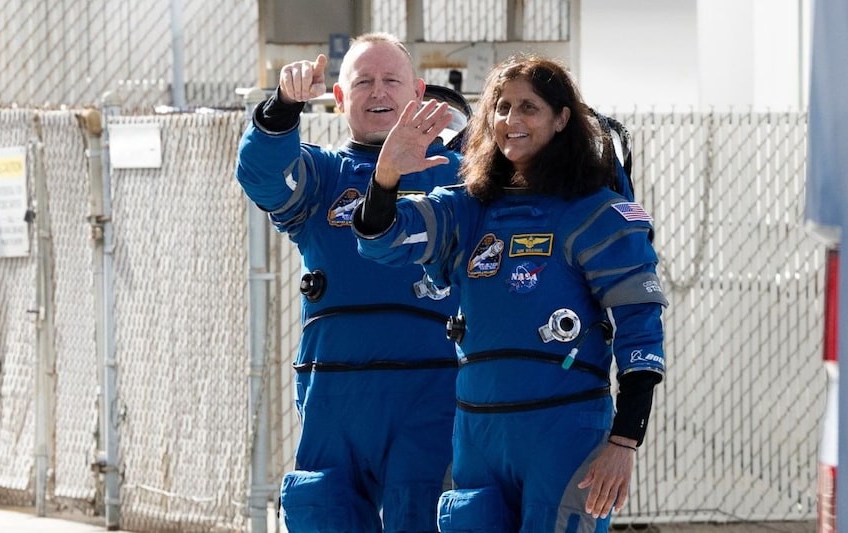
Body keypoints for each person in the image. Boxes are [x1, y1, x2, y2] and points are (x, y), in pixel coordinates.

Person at [353, 54, 668, 532]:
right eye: (501, 107)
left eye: (528, 108)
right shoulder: (469, 209)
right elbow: (383, 240)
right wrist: (386, 176)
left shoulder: (596, 215)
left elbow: (640, 333)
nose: (511, 120)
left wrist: (624, 442)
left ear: (563, 119)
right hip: (478, 436)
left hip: (564, 433)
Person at [235, 32, 463, 533]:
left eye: (390, 80)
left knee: (423, 514)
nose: (378, 93)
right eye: (363, 82)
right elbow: (262, 176)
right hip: (335, 393)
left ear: (418, 93)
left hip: (431, 391)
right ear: (339, 100)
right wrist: (281, 109)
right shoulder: (322, 177)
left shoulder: (461, 180)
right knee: (325, 510)